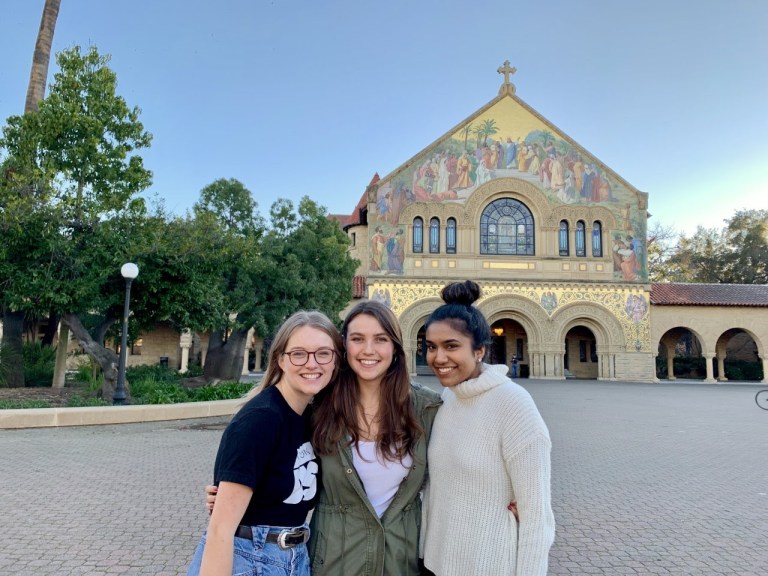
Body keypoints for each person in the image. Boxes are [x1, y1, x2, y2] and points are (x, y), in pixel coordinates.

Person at [207, 300, 442, 575]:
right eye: (357, 339)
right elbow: (272, 463)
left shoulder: (427, 408)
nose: (369, 350)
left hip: (399, 562)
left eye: (381, 339)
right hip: (331, 562)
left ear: (396, 347)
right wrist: (228, 497)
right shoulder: (318, 408)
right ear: (344, 349)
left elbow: (459, 463)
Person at [187, 310, 343, 576]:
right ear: (281, 359)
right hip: (251, 559)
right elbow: (220, 530)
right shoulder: (261, 419)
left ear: (335, 361)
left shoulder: (309, 418)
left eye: (323, 353)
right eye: (299, 353)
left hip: (292, 557)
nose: (312, 363)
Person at [421, 280, 555, 576]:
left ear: (479, 350)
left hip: (487, 565)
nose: (438, 358)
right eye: (431, 347)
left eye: (451, 346)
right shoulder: (449, 397)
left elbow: (537, 518)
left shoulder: (513, 404)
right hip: (435, 563)